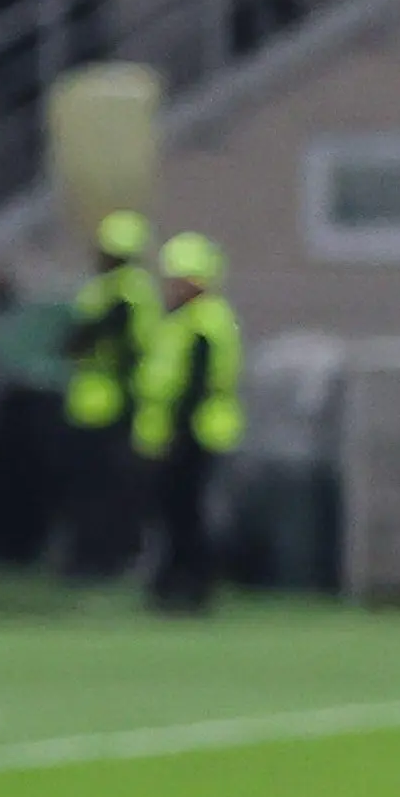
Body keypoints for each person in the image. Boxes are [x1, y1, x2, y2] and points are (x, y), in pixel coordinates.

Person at [134, 231, 240, 613]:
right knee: (175, 514)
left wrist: (175, 435)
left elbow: (194, 385)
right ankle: (173, 585)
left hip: (195, 433)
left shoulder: (203, 322)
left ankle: (191, 588)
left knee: (187, 514)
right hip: (178, 432)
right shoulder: (186, 319)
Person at [59, 210, 157, 577]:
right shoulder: (105, 290)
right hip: (92, 399)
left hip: (114, 401)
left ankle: (102, 559)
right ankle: (92, 555)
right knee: (91, 488)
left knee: (105, 489)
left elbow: (121, 346)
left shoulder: (126, 293)